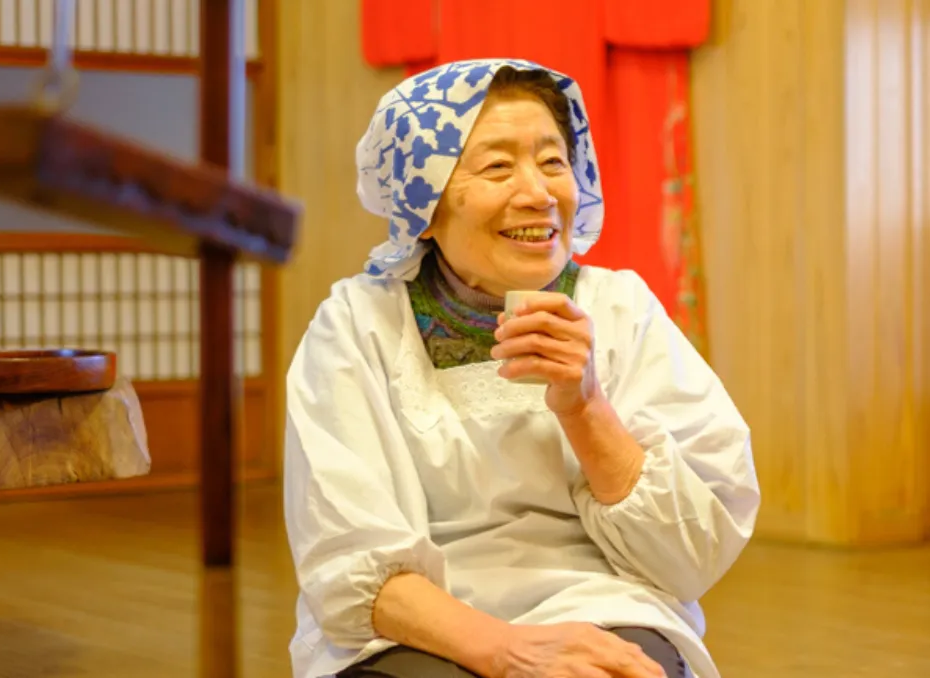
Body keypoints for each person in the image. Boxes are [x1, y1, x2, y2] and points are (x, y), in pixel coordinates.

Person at [283, 58, 760, 678]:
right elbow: (347, 557)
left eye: (553, 161)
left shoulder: (620, 308)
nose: (538, 193)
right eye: (498, 166)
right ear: (423, 202)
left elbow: (690, 557)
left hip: (603, 607)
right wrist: (509, 651)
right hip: (416, 628)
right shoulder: (358, 324)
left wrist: (585, 405)